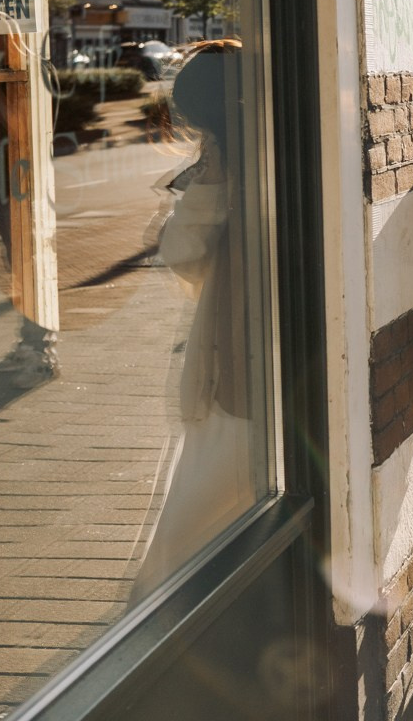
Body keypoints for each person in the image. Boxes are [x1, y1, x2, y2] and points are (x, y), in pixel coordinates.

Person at [130, 41, 253, 604]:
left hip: (237, 368)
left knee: (190, 519)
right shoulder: (249, 160)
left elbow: (185, 258)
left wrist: (210, 183)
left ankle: (150, 624)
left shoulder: (231, 170)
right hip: (244, 364)